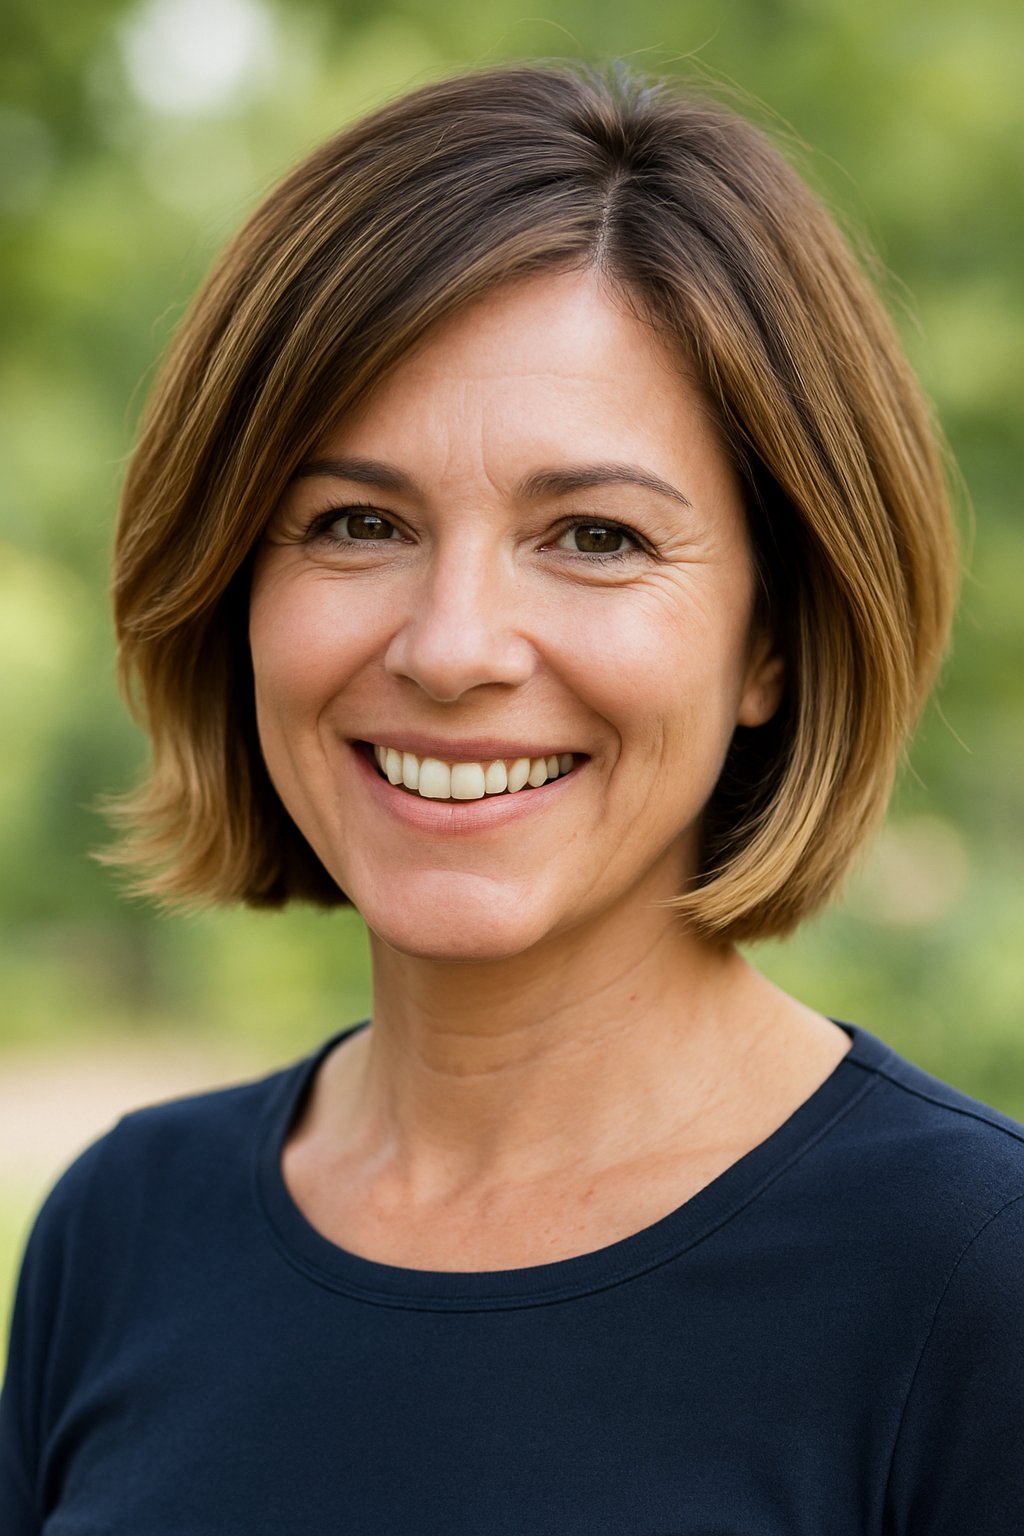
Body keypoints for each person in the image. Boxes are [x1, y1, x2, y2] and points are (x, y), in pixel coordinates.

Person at [2, 60, 1022, 1534]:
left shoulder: (969, 1282)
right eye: (357, 524)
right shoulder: (122, 1227)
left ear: (775, 638)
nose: (454, 648)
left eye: (595, 537)